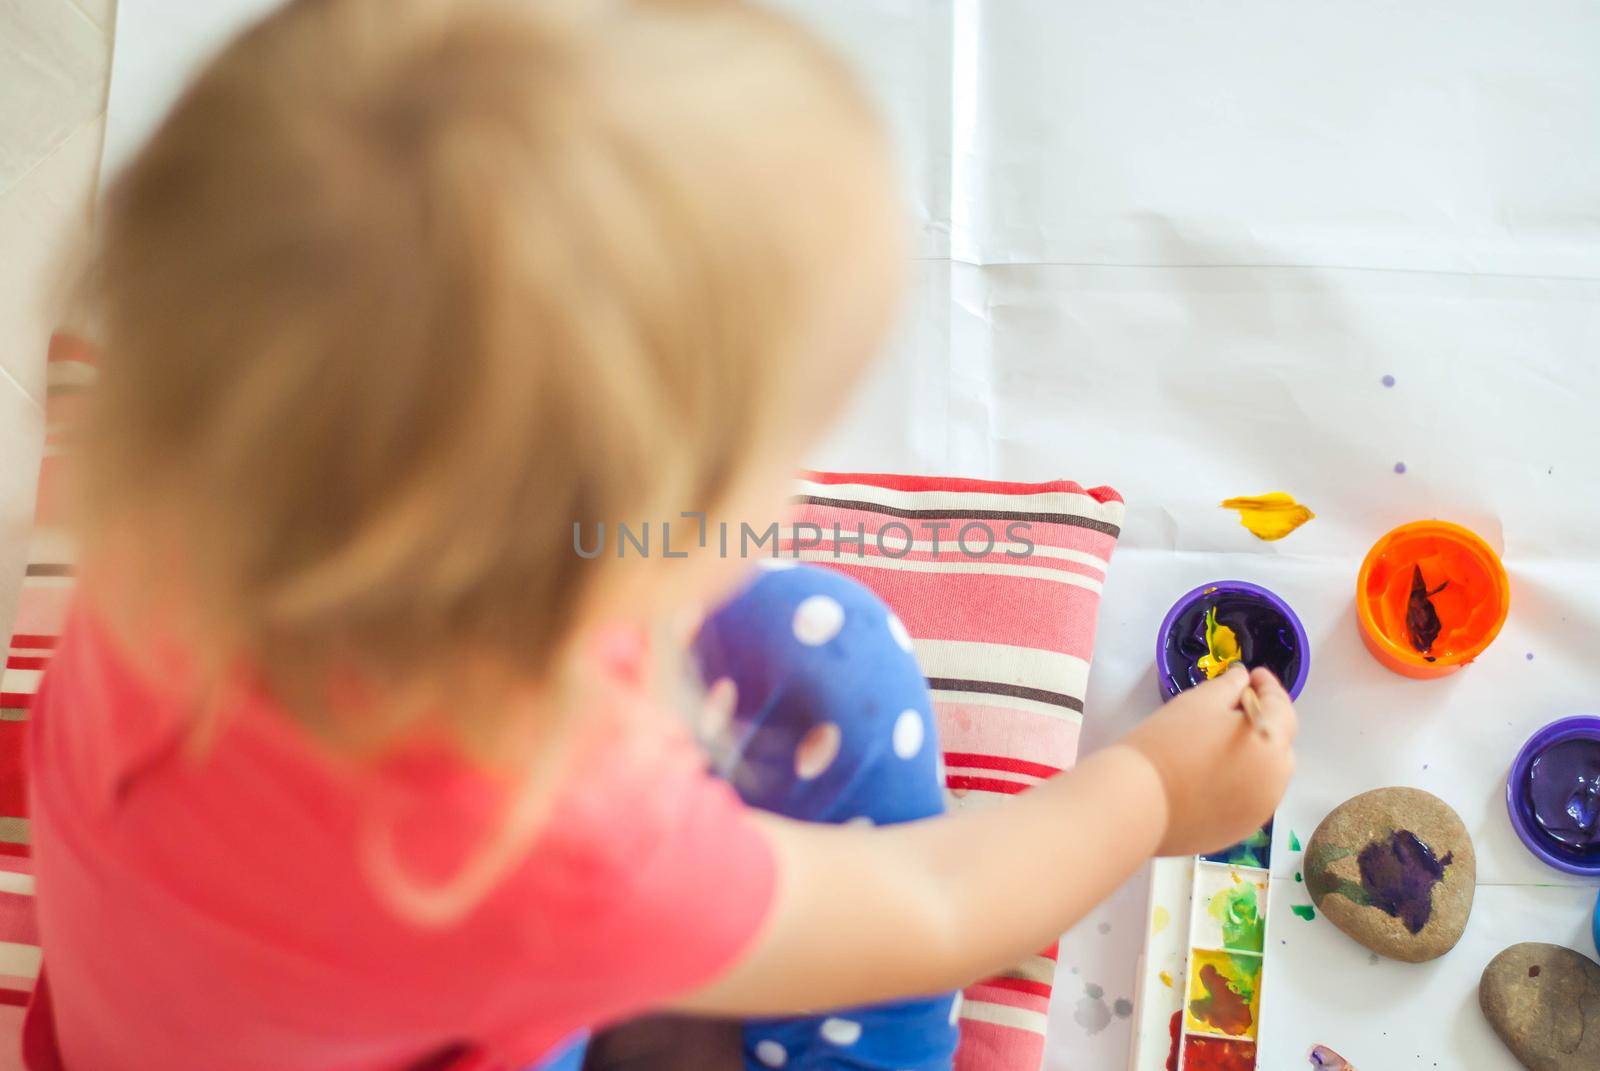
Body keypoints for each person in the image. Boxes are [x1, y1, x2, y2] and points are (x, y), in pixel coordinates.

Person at [24, 2, 1297, 1069]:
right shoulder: (548, 841)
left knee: (823, 650)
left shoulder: (175, 535)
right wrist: (1148, 795)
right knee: (845, 663)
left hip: (176, 1011)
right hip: (446, 997)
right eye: (769, 454)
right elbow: (934, 906)